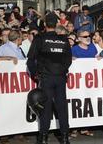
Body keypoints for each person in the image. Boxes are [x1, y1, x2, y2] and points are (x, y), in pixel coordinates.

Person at [27, 13, 72, 144]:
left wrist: (36, 74)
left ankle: (44, 137)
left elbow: (30, 60)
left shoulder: (39, 38)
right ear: (57, 24)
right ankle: (64, 137)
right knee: (62, 106)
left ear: (45, 24)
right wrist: (62, 70)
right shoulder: (64, 39)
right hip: (60, 77)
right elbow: (68, 60)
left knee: (45, 107)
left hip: (46, 77)